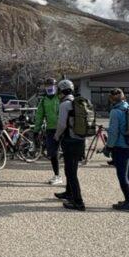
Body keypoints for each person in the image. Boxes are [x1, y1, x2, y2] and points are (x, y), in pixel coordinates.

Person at [52, 79, 86, 210]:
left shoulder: (65, 105)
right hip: (80, 140)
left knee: (70, 172)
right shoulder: (79, 102)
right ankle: (69, 193)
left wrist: (56, 136)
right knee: (72, 169)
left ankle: (78, 202)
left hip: (70, 141)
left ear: (62, 91)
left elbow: (61, 124)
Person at [106, 88, 129, 211]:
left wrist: (109, 147)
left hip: (121, 147)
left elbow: (113, 132)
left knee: (122, 176)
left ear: (111, 99)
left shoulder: (115, 112)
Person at [33, 77, 63, 185]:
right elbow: (39, 116)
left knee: (68, 154)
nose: (50, 88)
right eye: (47, 86)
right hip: (51, 129)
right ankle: (57, 175)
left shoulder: (60, 98)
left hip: (63, 129)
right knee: (53, 153)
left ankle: (71, 179)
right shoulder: (43, 101)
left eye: (52, 85)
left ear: (56, 86)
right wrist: (36, 130)